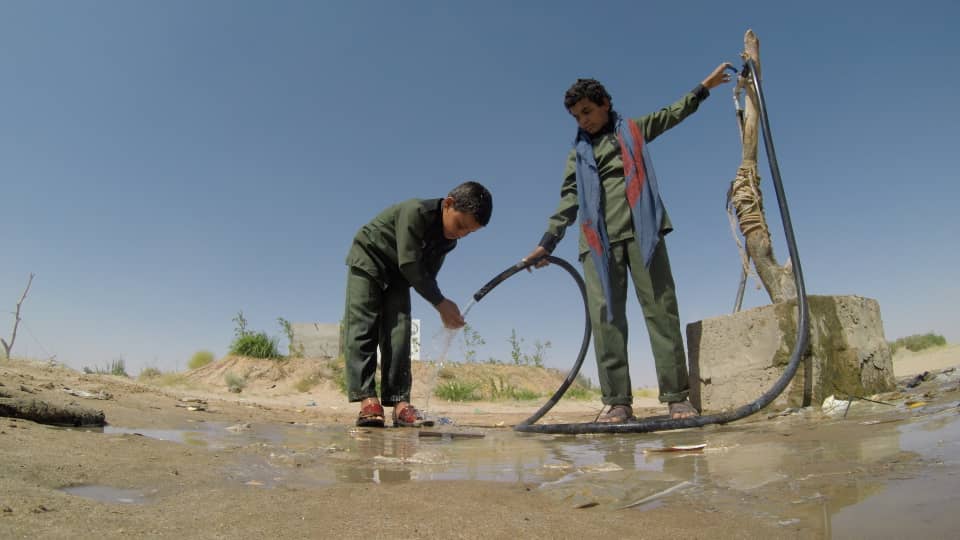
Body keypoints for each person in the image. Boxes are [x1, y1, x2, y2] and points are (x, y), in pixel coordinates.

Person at [525, 63, 733, 423]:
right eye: (576, 116)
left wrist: (704, 87)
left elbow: (672, 114)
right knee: (607, 320)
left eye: (587, 111)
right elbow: (568, 200)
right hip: (597, 244)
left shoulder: (633, 130)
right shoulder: (577, 155)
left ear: (605, 103)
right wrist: (548, 241)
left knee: (661, 312)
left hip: (643, 234)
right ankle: (618, 401)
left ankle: (676, 396)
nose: (583, 120)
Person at [343, 181, 493, 427]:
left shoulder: (448, 242)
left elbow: (427, 275)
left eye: (469, 232)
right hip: (370, 257)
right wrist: (441, 303)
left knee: (400, 330)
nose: (461, 234)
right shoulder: (416, 212)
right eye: (460, 225)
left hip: (400, 275)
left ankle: (400, 402)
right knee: (363, 325)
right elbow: (411, 263)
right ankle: (367, 400)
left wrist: (440, 304)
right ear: (448, 203)